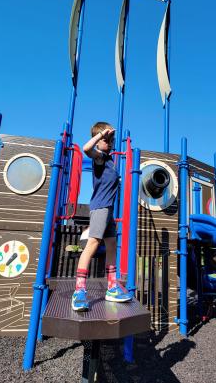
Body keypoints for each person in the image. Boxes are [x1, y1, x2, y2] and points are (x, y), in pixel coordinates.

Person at [71, 121, 132, 311]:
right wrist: (100, 135)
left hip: (108, 210)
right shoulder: (100, 157)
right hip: (99, 208)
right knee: (92, 244)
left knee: (112, 245)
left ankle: (112, 286)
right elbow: (86, 148)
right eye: (107, 140)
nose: (110, 142)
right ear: (99, 140)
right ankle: (79, 290)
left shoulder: (110, 160)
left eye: (111, 139)